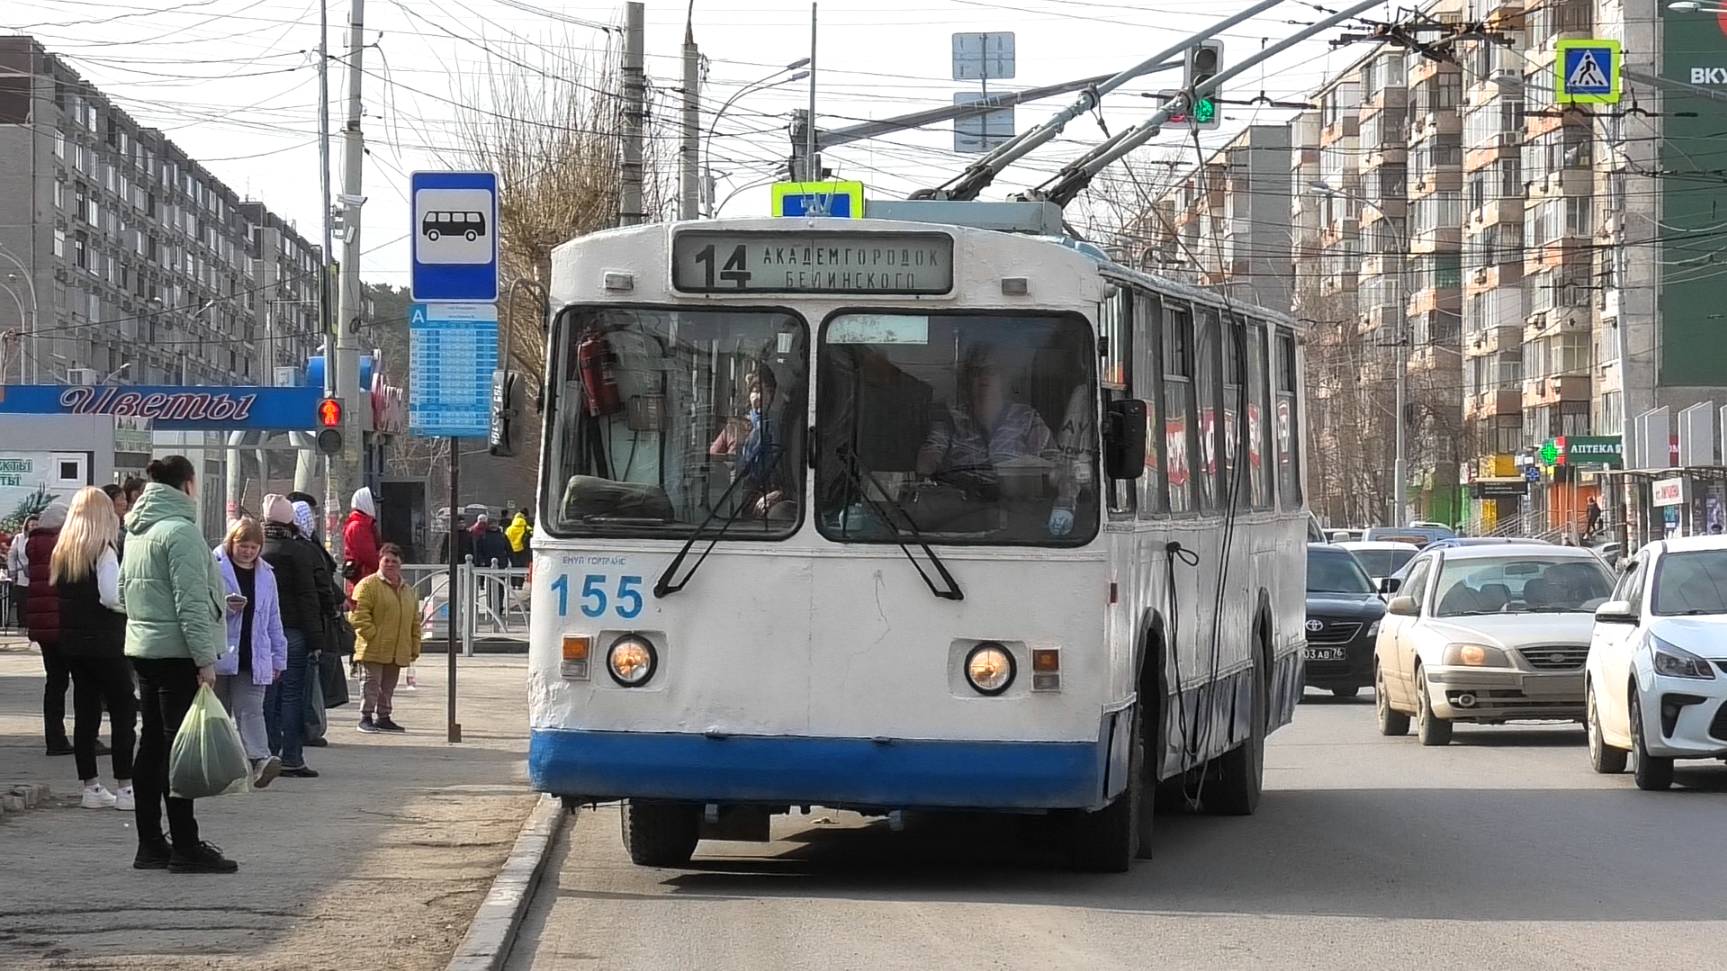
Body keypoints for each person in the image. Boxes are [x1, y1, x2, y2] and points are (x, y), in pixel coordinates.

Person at [119, 455, 236, 873]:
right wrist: (205, 659)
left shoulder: (137, 530)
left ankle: (151, 843)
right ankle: (186, 845)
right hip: (177, 653)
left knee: (152, 745)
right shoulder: (181, 532)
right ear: (187, 484)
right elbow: (191, 604)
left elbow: (121, 591)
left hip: (143, 648)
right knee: (177, 750)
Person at [50, 486, 135, 811]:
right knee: (123, 711)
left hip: (73, 644)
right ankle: (126, 787)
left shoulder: (64, 551)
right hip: (106, 642)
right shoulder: (104, 549)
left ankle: (91, 786)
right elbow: (110, 596)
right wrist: (131, 606)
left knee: (85, 713)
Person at [261, 494, 333, 779]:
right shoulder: (299, 551)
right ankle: (292, 756)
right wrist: (316, 639)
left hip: (262, 633)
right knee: (292, 695)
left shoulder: (255, 548)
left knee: (267, 695)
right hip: (293, 631)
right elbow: (308, 596)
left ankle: (266, 753)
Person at [212, 517, 286, 788]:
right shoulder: (213, 566)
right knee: (217, 715)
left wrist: (279, 657)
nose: (248, 551)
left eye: (254, 547)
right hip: (218, 655)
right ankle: (217, 767)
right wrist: (224, 607)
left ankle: (260, 760)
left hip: (254, 655)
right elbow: (199, 605)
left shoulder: (266, 574)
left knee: (252, 711)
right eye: (243, 545)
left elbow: (274, 618)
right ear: (231, 542)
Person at [350, 543, 421, 733]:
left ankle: (384, 717)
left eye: (394, 561)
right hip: (372, 647)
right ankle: (365, 717)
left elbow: (415, 621)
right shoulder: (367, 585)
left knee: (388, 686)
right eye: (386, 561)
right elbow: (358, 615)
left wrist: (414, 645)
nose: (390, 564)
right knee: (370, 683)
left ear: (401, 563)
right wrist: (371, 635)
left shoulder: (407, 590)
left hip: (397, 649)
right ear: (379, 562)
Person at [708, 367, 792, 519]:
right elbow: (711, 459)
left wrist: (778, 494)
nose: (759, 397)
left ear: (773, 395)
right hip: (735, 497)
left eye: (765, 391)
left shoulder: (782, 428)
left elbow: (791, 473)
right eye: (755, 391)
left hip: (771, 497)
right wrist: (730, 462)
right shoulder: (735, 426)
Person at [26, 502, 76, 757]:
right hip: (63, 621)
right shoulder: (61, 544)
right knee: (80, 680)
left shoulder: (33, 544)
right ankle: (80, 737)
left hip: (42, 625)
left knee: (54, 682)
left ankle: (54, 737)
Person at [342, 487, 380, 593]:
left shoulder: (364, 524)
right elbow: (370, 557)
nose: (376, 507)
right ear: (366, 503)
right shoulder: (358, 526)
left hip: (365, 580)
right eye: (374, 503)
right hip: (363, 581)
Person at [8, 514, 35, 632]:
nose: (34, 527)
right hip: (22, 576)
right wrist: (12, 572)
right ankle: (22, 626)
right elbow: (12, 555)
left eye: (37, 525)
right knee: (22, 602)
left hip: (37, 575)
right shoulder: (19, 538)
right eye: (32, 525)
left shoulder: (42, 538)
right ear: (27, 526)